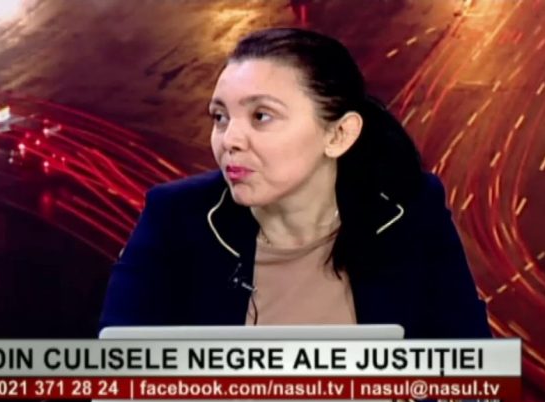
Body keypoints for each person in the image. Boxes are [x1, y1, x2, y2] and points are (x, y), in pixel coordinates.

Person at [99, 27, 491, 339]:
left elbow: (470, 374)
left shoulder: (411, 210)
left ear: (338, 134)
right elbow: (122, 378)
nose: (229, 140)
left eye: (261, 116)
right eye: (220, 117)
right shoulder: (174, 218)